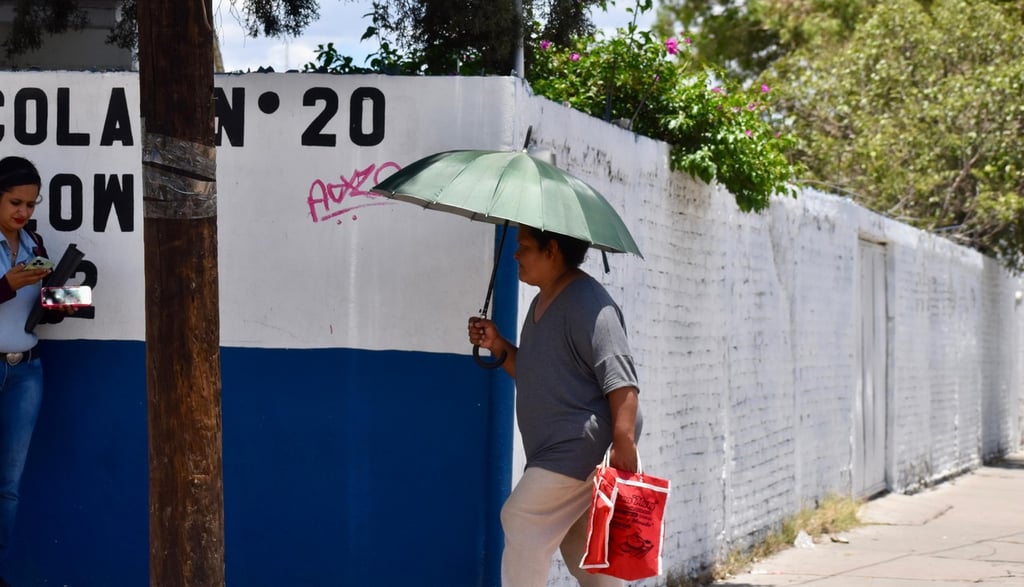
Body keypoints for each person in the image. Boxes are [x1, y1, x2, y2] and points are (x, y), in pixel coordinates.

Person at [467, 225, 641, 587]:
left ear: (552, 251)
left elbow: (621, 377)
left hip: (578, 446)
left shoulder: (590, 304)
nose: (516, 254)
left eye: (525, 247)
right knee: (581, 544)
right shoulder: (543, 300)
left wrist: (624, 441)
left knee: (522, 517)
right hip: (558, 448)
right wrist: (499, 345)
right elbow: (534, 373)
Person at [0, 156, 70, 587]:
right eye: (14, 202)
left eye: (30, 204)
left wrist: (62, 302)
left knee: (8, 486)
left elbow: (41, 310)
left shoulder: (34, 244)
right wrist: (9, 284)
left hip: (26, 371)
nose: (23, 212)